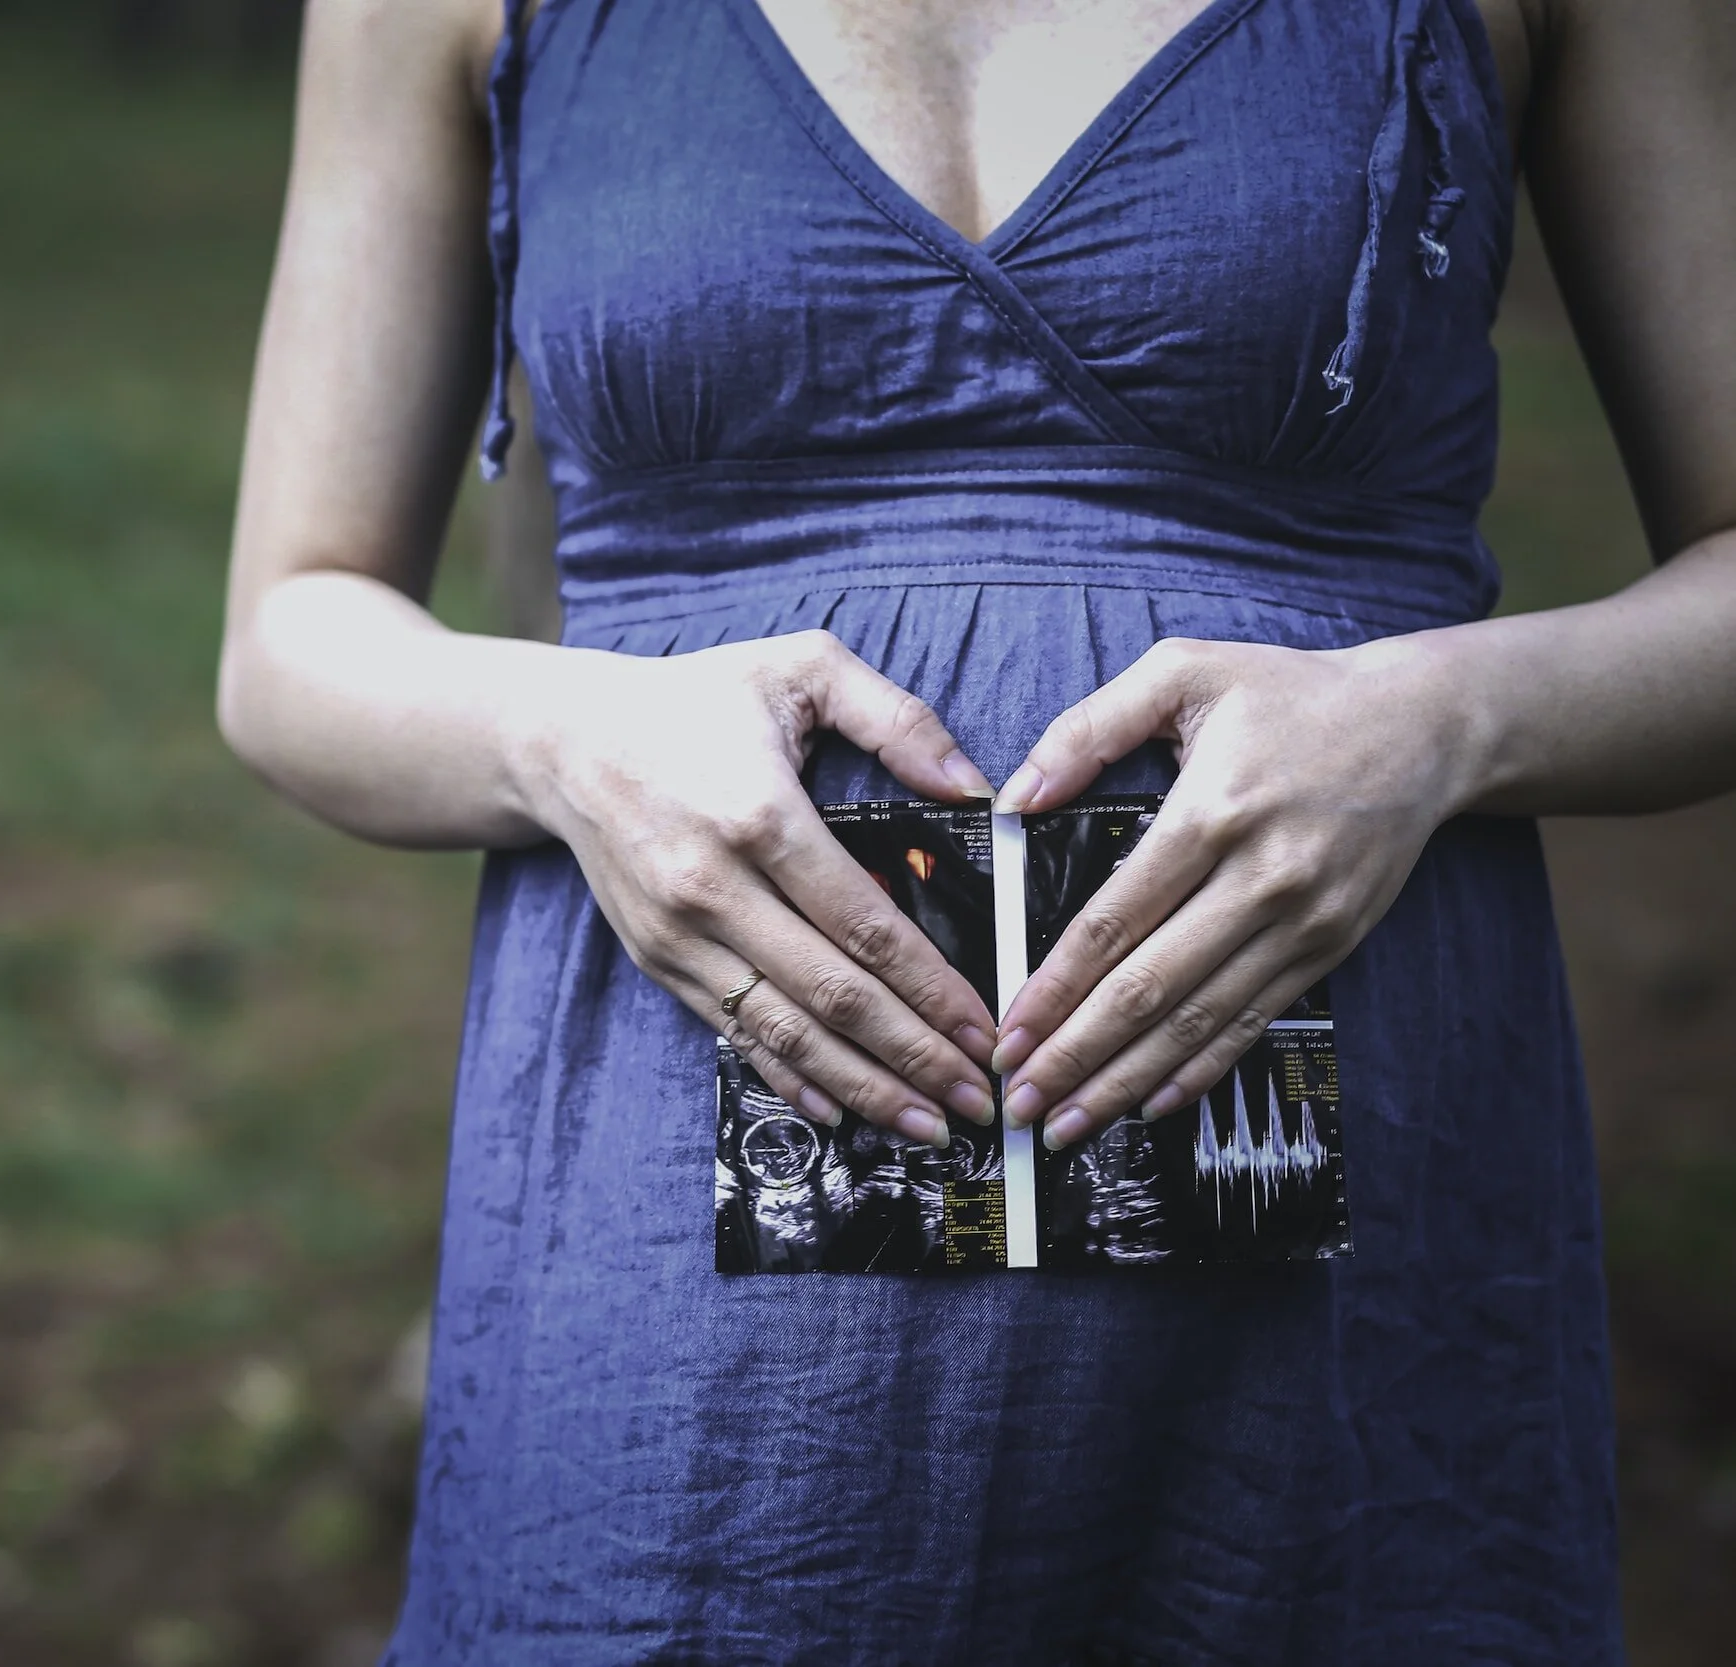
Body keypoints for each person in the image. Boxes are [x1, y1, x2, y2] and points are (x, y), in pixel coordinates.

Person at [216, 0, 1736, 1658]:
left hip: (1344, 1262)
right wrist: (565, 735)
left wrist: (1445, 719)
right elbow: (290, 636)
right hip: (673, 1307)